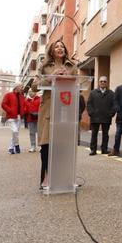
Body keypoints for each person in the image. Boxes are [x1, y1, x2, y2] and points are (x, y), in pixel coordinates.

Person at [36, 41, 78, 189]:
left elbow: (78, 84)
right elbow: (35, 85)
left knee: (64, 145)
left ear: (65, 50)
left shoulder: (72, 66)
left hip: (66, 108)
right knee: (47, 145)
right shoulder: (45, 66)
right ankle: (45, 179)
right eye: (56, 47)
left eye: (62, 46)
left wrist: (69, 78)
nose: (60, 48)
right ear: (52, 51)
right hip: (49, 109)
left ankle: (65, 178)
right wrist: (51, 76)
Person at [87, 76, 115, 155]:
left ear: (107, 83)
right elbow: (89, 104)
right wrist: (91, 113)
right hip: (95, 117)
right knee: (94, 134)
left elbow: (114, 105)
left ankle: (104, 149)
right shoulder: (93, 93)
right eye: (101, 81)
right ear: (99, 83)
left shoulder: (111, 93)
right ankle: (93, 150)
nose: (103, 83)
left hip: (106, 117)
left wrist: (111, 113)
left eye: (104, 81)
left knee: (105, 135)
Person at [1, 84, 27, 155]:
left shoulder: (22, 97)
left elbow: (24, 105)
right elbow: (3, 104)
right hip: (11, 116)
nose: (22, 88)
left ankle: (11, 148)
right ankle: (16, 145)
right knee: (15, 131)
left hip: (19, 117)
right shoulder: (8, 95)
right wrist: (10, 110)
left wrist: (23, 111)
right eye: (21, 86)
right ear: (16, 87)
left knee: (15, 133)